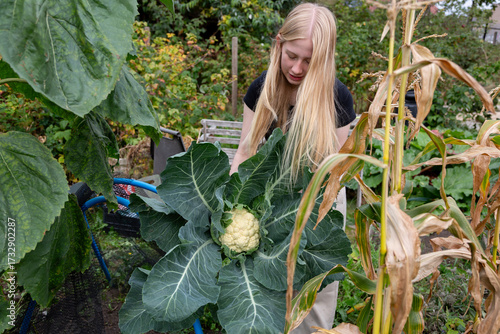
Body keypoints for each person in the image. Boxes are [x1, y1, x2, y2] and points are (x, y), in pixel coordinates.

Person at [230, 3, 356, 333]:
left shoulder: (337, 99)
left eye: (309, 61)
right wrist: (232, 207)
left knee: (313, 297)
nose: (297, 68)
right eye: (292, 56)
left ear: (324, 60)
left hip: (319, 201)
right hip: (269, 198)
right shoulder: (262, 88)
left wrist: (304, 220)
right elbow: (245, 151)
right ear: (279, 44)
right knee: (265, 290)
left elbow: (335, 171)